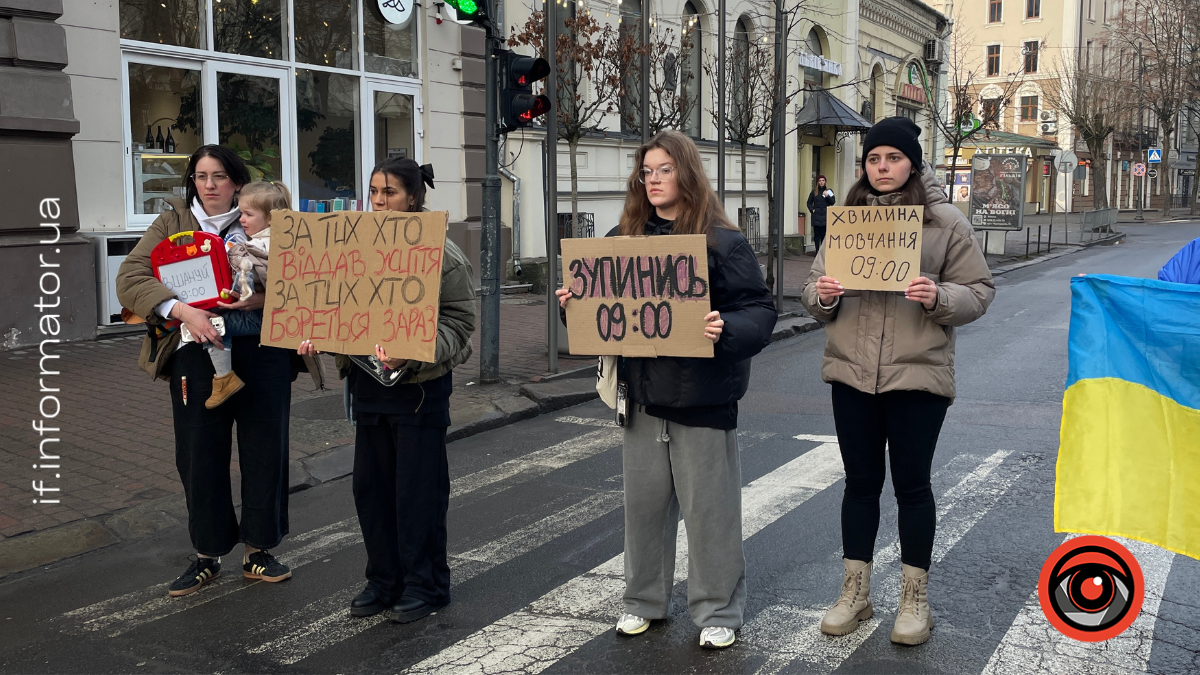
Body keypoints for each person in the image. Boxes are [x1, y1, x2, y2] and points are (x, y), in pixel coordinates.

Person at [556, 130, 777, 650]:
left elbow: (760, 312)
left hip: (704, 397)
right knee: (644, 508)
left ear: (687, 174)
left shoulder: (724, 241)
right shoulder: (620, 241)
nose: (653, 180)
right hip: (642, 397)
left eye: (664, 170)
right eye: (646, 172)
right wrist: (576, 307)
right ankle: (642, 601)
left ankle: (718, 608)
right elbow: (604, 317)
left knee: (710, 513)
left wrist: (729, 329)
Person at [801, 117, 995, 646]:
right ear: (864, 166)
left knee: (912, 486)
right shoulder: (848, 221)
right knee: (860, 484)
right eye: (873, 159)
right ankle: (855, 592)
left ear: (913, 163)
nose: (882, 168)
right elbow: (813, 295)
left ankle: (914, 601)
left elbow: (978, 290)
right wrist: (824, 295)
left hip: (918, 377)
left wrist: (939, 298)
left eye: (893, 158)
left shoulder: (946, 223)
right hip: (852, 374)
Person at [117, 146, 306, 597]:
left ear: (237, 181)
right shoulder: (173, 223)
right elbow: (130, 278)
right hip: (197, 353)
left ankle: (258, 549)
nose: (209, 185)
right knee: (199, 451)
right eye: (201, 176)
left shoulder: (272, 218)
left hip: (265, 349)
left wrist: (262, 300)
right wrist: (182, 311)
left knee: (265, 447)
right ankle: (207, 553)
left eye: (219, 176)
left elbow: (310, 280)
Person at [298, 158, 476, 624]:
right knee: (371, 494)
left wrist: (415, 351)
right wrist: (313, 333)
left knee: (418, 496)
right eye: (374, 192)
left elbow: (460, 326)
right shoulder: (351, 244)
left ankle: (427, 586)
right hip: (367, 392)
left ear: (414, 197)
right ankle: (383, 581)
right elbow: (332, 304)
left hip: (419, 396)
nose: (379, 201)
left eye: (390, 192)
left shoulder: (443, 253)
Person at [184, 180, 293, 408]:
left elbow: (253, 276)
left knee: (214, 326)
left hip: (258, 318)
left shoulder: (261, 245)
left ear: (271, 218)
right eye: (241, 212)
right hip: (268, 320)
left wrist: (238, 285)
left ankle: (224, 378)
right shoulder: (282, 241)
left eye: (248, 214)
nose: (241, 219)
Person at [807, 174, 836, 251]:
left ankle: (823, 252)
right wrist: (812, 209)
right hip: (816, 216)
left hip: (825, 216)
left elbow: (832, 202)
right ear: (817, 182)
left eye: (823, 180)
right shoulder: (814, 192)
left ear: (825, 182)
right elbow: (809, 202)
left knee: (823, 235)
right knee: (817, 235)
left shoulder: (829, 191)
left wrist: (827, 196)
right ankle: (817, 251)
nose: (821, 182)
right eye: (820, 181)